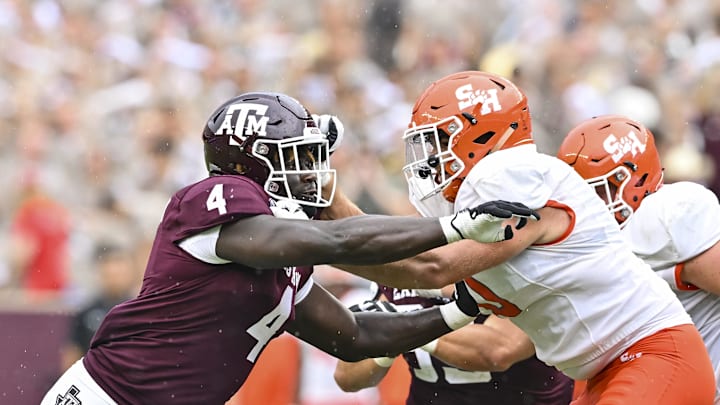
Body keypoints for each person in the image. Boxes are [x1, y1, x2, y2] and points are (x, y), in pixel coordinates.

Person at [40, 91, 539, 405]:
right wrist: (454, 227)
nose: (311, 170)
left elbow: (356, 337)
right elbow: (334, 238)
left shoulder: (281, 254)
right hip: (108, 395)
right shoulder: (218, 201)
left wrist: (459, 311)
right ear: (251, 162)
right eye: (298, 156)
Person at [320, 71, 716, 405]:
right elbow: (404, 269)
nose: (430, 158)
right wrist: (324, 212)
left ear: (480, 135)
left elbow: (427, 267)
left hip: (653, 356)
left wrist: (325, 223)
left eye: (440, 141)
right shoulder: (489, 205)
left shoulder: (507, 176)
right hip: (610, 370)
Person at [556, 114, 720, 404]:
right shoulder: (582, 242)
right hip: (625, 380)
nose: (580, 205)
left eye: (592, 191)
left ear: (630, 179)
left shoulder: (665, 214)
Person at [333, 284, 574, 404]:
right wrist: (386, 343)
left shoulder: (516, 265)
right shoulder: (401, 270)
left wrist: (405, 324)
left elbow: (499, 351)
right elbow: (348, 377)